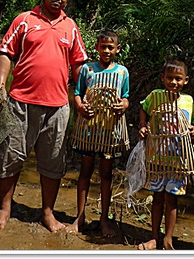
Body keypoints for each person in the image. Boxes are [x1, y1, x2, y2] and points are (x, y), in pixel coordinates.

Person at [0, 0, 88, 232]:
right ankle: (5, 209)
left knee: (53, 161)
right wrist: (0, 84)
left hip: (58, 106)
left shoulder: (71, 27)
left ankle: (47, 213)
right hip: (20, 101)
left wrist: (84, 96)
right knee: (11, 155)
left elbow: (78, 64)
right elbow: (5, 52)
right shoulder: (24, 20)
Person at [66, 29, 129, 238]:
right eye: (103, 47)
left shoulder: (122, 72)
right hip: (89, 131)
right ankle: (80, 217)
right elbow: (77, 93)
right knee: (84, 171)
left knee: (106, 174)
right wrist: (80, 107)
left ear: (117, 49)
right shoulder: (87, 70)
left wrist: (123, 105)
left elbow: (126, 97)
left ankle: (103, 219)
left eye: (111, 47)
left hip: (110, 133)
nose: (107, 51)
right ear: (96, 47)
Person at [138, 59, 194, 251]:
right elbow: (143, 109)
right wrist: (142, 125)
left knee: (172, 199)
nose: (174, 82)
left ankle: (168, 238)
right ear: (162, 78)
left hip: (178, 161)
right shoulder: (155, 97)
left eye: (178, 79)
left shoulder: (188, 101)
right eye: (170, 78)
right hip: (157, 158)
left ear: (186, 80)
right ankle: (154, 237)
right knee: (157, 198)